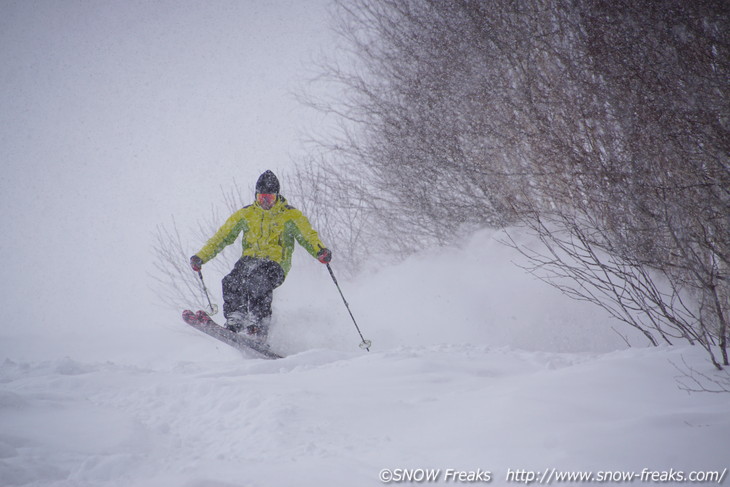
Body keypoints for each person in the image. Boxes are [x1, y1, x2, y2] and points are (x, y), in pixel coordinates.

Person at [190, 170, 331, 342]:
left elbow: (308, 236)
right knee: (231, 280)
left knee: (258, 281)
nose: (265, 203)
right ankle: (236, 318)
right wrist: (201, 257)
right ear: (256, 196)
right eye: (261, 198)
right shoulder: (246, 214)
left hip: (275, 264)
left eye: (269, 199)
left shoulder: (290, 215)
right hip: (249, 260)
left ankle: (258, 326)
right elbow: (222, 237)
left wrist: (320, 251)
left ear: (277, 197)